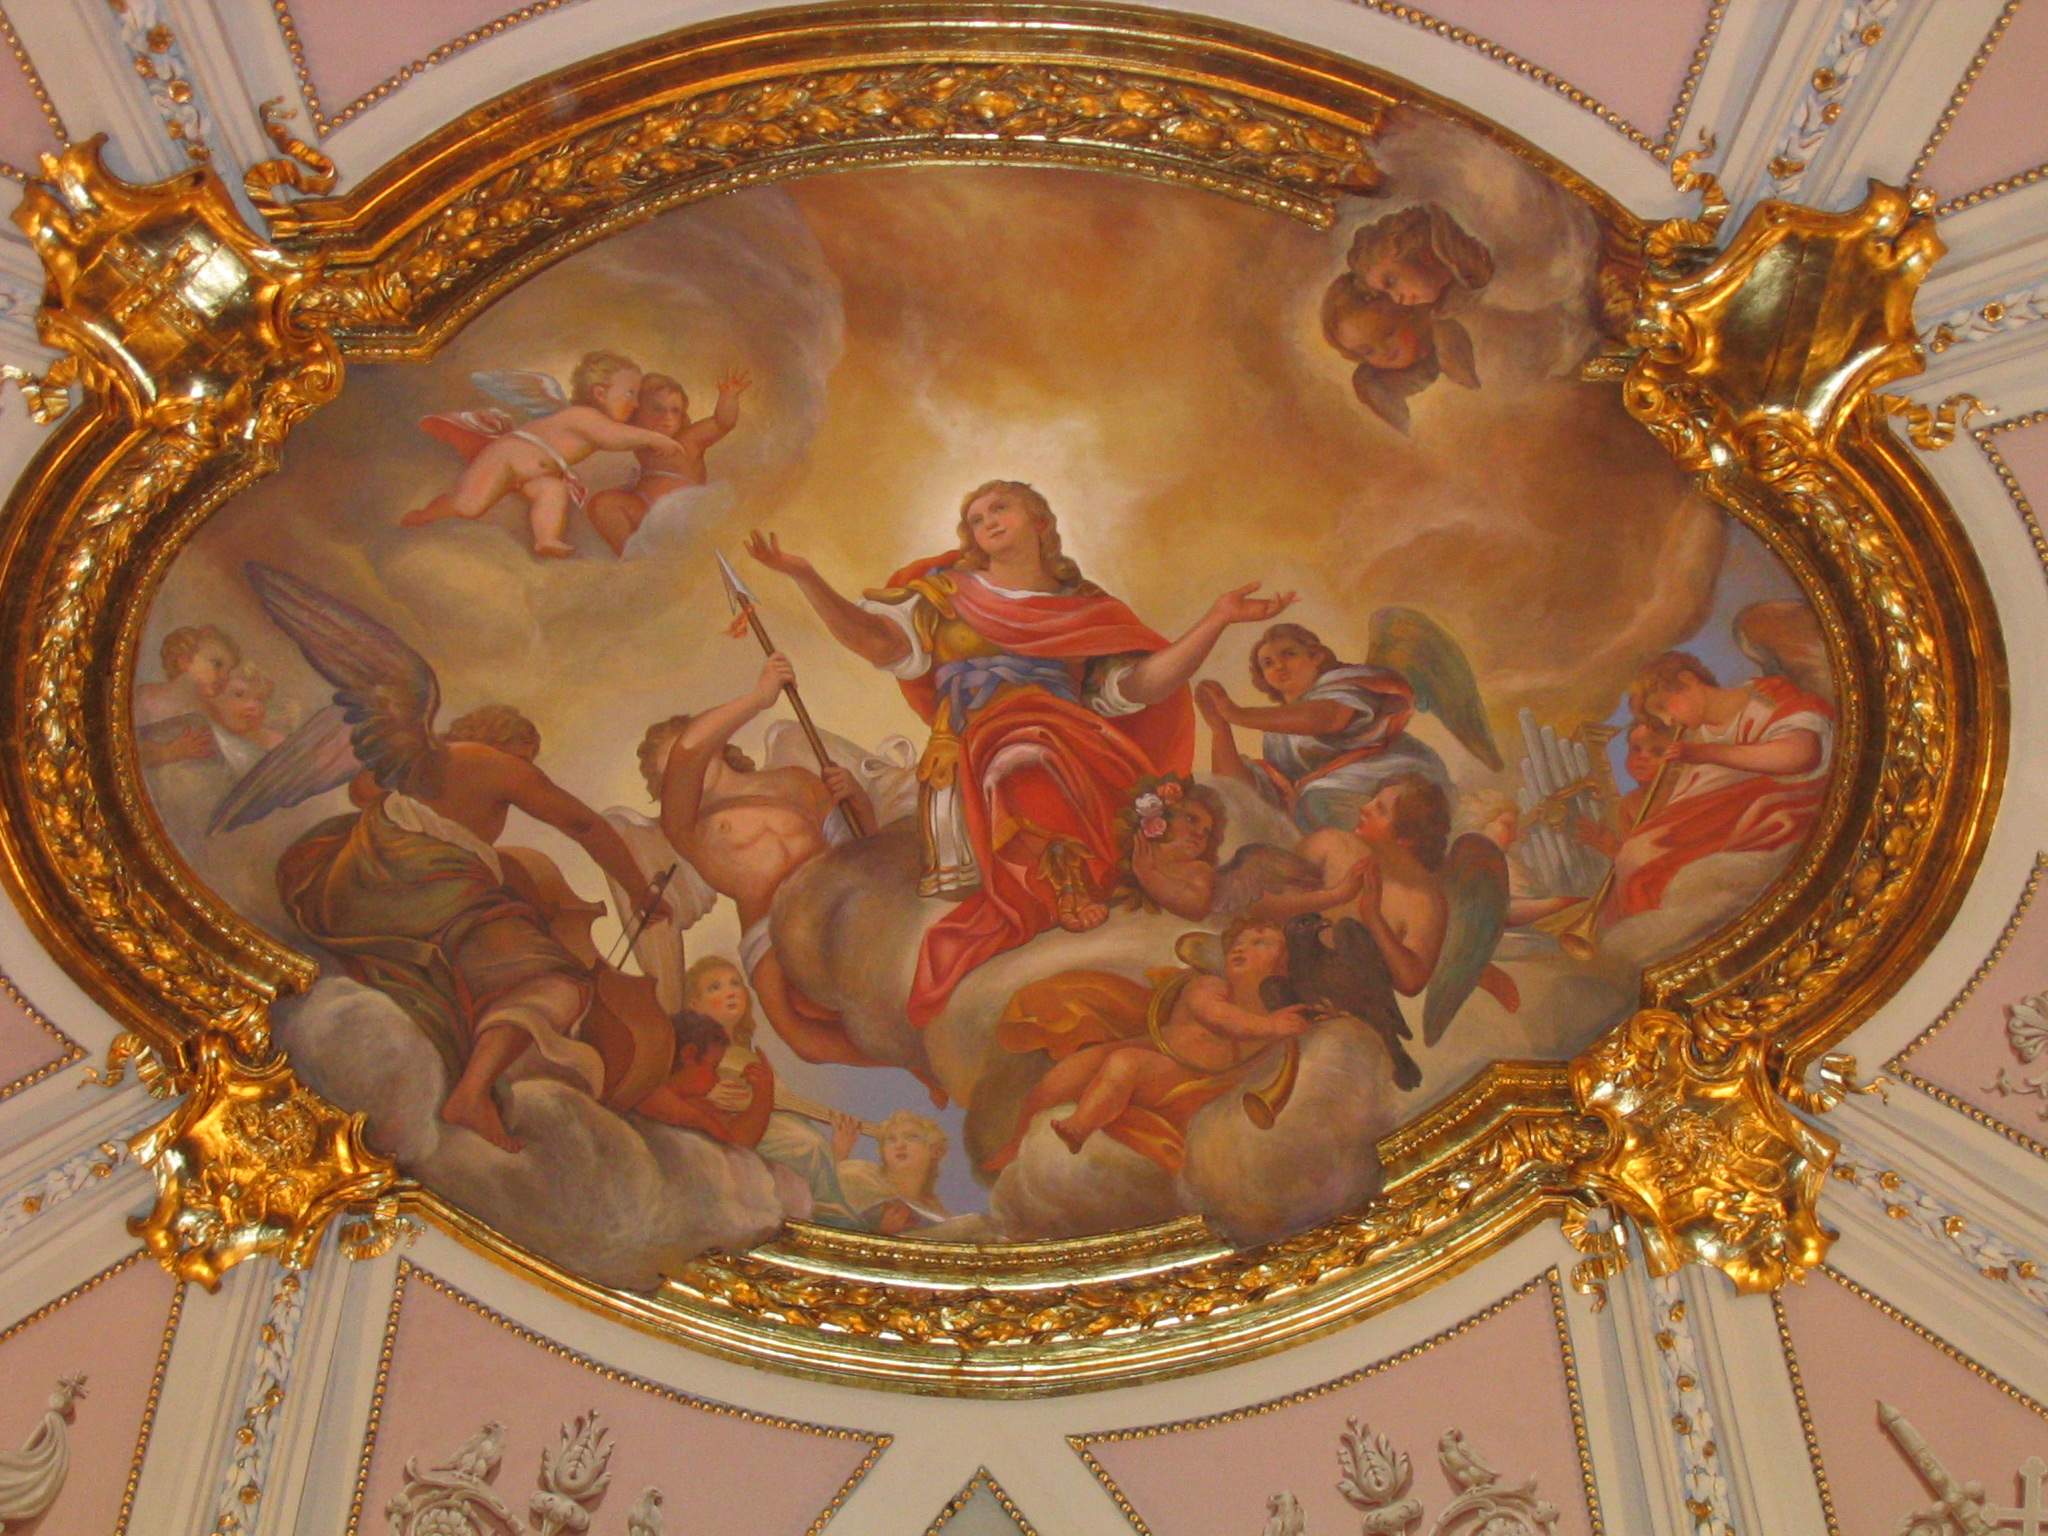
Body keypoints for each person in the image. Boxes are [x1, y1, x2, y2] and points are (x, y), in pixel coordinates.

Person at [746, 480, 1294, 1027]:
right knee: (1022, 743)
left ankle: (1111, 866)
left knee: (1058, 745)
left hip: (1070, 738)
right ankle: (1058, 879)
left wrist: (1216, 619)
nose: (987, 520)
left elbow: (1139, 686)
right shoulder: (944, 594)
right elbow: (875, 641)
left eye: (1000, 507)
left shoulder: (1085, 608)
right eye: (976, 516)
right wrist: (804, 575)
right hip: (979, 742)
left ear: (1040, 521)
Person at [278, 703, 675, 1152]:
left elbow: (361, 791)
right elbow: (582, 823)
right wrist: (638, 889)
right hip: (424, 887)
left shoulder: (421, 757)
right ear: (508, 743)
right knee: (558, 982)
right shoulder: (494, 762)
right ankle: (471, 1093)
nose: (527, 769)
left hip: (341, 889)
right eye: (527, 756)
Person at [638, 655, 878, 1067]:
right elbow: (690, 750)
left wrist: (856, 799)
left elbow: (861, 846)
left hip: (835, 897)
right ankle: (914, 1064)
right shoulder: (686, 825)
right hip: (769, 928)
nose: (687, 767)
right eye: (673, 770)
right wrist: (759, 698)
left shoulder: (793, 781)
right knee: (803, 1036)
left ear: (720, 744)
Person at [985, 916, 1315, 1173]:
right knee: (1072, 1071)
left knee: (1126, 1064)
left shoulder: (1277, 1011)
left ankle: (1080, 1127)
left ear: (1285, 963)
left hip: (1188, 1082)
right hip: (1160, 1052)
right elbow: (1217, 1017)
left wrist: (1284, 1030)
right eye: (1236, 944)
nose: (1240, 948)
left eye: (1260, 943)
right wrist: (1269, 1027)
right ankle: (1017, 1143)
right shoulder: (1210, 985)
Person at [1602, 651, 1832, 924]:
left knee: (1644, 856)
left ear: (1688, 680)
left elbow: (1801, 755)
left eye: (1664, 706)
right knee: (1638, 858)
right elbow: (1689, 803)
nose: (1668, 721)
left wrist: (1707, 754)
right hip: (1724, 822)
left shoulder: (1764, 696)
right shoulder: (1696, 737)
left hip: (1780, 810)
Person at [404, 351, 683, 558]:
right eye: (630, 394)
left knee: (553, 492)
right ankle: (427, 514)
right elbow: (613, 438)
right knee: (469, 506)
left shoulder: (600, 420)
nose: (635, 404)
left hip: (539, 473)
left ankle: (546, 539)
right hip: (508, 457)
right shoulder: (584, 416)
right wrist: (653, 438)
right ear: (600, 393)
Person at [1197, 621, 1448, 833]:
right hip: (1332, 799)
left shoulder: (1346, 683)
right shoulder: (1276, 735)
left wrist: (1238, 715)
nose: (1279, 666)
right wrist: (1220, 729)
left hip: (1400, 780)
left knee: (1317, 803)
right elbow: (1238, 789)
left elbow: (1328, 718)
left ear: (1316, 656)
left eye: (1289, 654)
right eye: (1268, 663)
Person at [586, 368, 751, 557]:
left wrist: (728, 397)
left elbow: (722, 423)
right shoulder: (639, 439)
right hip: (646, 510)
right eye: (657, 409)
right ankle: (631, 556)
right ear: (636, 412)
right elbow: (606, 434)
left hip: (681, 512)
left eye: (675, 411)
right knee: (602, 504)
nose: (668, 418)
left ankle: (641, 556)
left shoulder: (688, 439)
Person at [829, 1110, 952, 1234]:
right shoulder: (860, 1175)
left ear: (935, 1151)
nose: (900, 1145)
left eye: (912, 1137)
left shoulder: (936, 1213)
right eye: (891, 1139)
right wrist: (881, 1233)